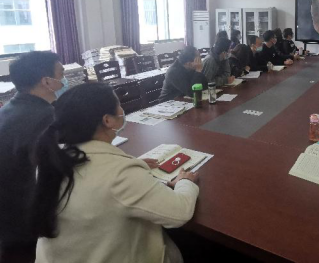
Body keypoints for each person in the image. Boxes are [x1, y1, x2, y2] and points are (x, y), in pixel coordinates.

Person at [31, 83, 200, 263]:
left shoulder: (53, 160)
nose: (122, 109)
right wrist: (184, 182)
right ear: (107, 120)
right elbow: (180, 212)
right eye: (118, 104)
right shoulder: (120, 174)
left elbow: (95, 182)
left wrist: (132, 167)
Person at [0, 51, 66, 257]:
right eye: (61, 74)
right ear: (47, 82)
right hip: (27, 220)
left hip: (7, 214)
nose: (64, 80)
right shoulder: (45, 117)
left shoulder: (9, 108)